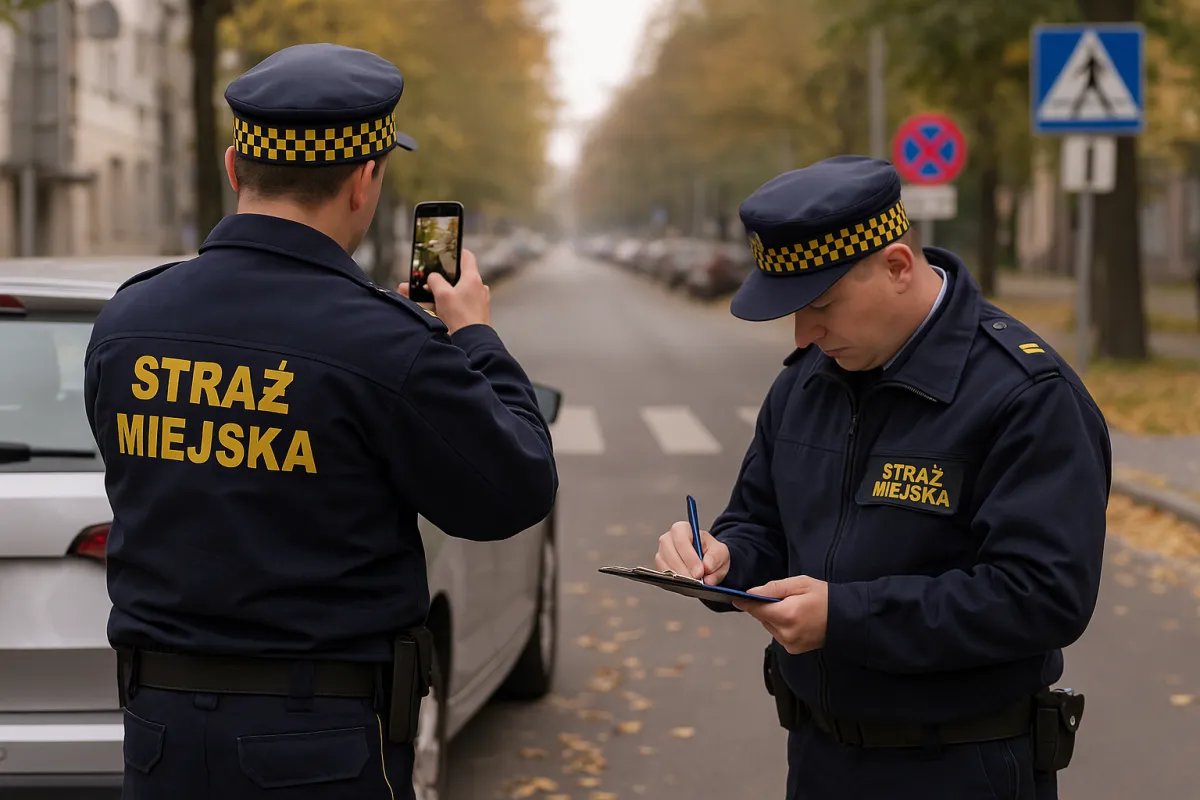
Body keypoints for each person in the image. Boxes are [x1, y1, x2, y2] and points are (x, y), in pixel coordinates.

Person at [83, 42, 558, 799]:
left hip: (159, 736)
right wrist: (474, 336)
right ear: (365, 181)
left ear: (236, 168)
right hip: (319, 744)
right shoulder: (386, 343)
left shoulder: (127, 321)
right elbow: (518, 486)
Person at [654, 155, 1110, 800]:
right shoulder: (805, 382)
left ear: (897, 266)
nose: (805, 332)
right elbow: (761, 521)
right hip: (817, 758)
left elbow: (1042, 595)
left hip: (960, 766)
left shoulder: (1024, 394)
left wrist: (847, 617)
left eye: (822, 305)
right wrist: (723, 561)